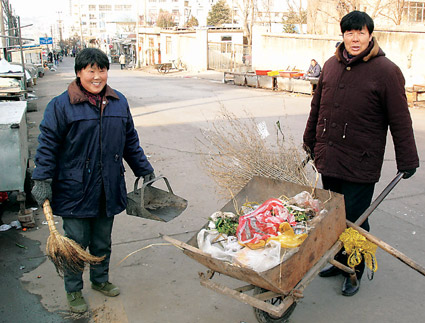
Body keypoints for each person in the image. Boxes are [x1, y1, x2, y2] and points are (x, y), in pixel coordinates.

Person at [303, 11, 419, 297]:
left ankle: (354, 270)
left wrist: (408, 159)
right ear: (343, 35)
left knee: (355, 219)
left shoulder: (386, 71)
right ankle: (338, 261)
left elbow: (400, 119)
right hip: (329, 157)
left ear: (370, 35)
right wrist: (309, 140)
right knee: (333, 216)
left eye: (361, 33)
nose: (355, 39)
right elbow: (317, 107)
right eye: (349, 33)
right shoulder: (330, 65)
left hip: (360, 162)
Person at [31, 48, 155, 313]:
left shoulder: (119, 102)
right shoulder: (60, 106)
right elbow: (47, 146)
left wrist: (143, 168)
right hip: (73, 188)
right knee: (74, 243)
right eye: (91, 70)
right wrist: (41, 178)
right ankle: (73, 290)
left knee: (102, 241)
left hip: (107, 187)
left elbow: (129, 141)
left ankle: (100, 280)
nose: (97, 77)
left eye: (102, 70)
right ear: (79, 73)